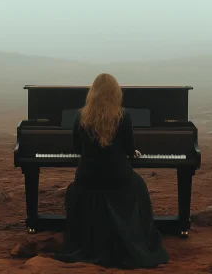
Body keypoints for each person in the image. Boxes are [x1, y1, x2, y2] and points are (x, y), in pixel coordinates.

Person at [54, 73, 169, 268]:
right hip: (117, 176)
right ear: (116, 93)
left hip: (87, 176)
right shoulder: (123, 115)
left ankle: (90, 241)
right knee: (139, 186)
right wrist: (134, 151)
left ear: (93, 93)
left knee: (79, 188)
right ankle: (132, 238)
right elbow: (128, 147)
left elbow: (76, 148)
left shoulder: (81, 115)